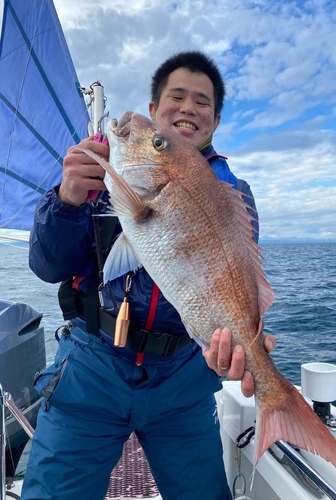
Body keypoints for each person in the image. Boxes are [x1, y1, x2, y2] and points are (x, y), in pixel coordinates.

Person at [23, 51, 276, 500]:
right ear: (155, 110)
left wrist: (241, 343)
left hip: (183, 378)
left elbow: (237, 280)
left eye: (202, 102)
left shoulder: (235, 195)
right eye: (174, 97)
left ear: (214, 121)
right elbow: (48, 267)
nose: (187, 108)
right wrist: (65, 200)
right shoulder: (93, 172)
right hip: (90, 367)